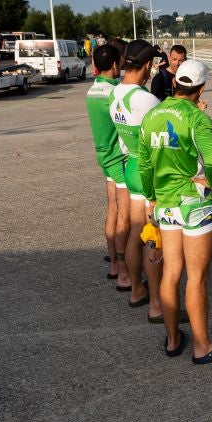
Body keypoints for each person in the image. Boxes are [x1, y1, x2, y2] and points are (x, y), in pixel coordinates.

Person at [139, 59, 212, 364]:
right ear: (198, 89)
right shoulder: (196, 118)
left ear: (176, 84)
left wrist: (151, 197)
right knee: (196, 278)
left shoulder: (152, 115)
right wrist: (210, 183)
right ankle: (202, 346)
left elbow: (144, 164)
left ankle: (172, 340)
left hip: (166, 203)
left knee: (171, 273)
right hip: (194, 204)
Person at [110, 40, 163, 314]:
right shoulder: (147, 99)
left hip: (130, 165)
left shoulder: (115, 94)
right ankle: (156, 303)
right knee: (152, 237)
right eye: (151, 65)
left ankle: (135, 290)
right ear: (145, 66)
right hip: (148, 172)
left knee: (134, 233)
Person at [85, 44, 132, 289]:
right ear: (115, 65)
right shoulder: (114, 94)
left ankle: (114, 263)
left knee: (112, 209)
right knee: (124, 215)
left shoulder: (93, 91)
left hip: (104, 156)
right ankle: (125, 273)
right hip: (119, 158)